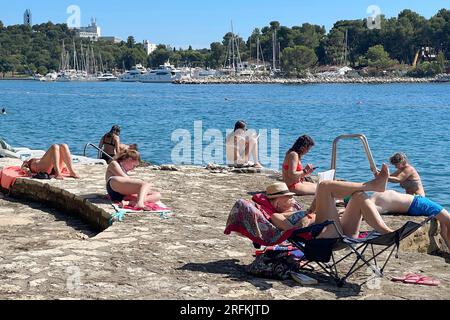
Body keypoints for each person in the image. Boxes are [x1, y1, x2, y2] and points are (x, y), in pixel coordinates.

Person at [262, 164, 393, 240]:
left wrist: (312, 209)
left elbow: (314, 215)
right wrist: (308, 216)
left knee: (358, 195)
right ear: (277, 201)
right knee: (324, 186)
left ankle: (386, 232)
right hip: (323, 236)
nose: (292, 198)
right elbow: (293, 230)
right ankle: (373, 185)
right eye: (288, 197)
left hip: (339, 230)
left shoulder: (296, 210)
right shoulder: (276, 216)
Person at [370, 190, 450, 251]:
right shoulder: (377, 195)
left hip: (415, 202)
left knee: (446, 223)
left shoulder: (377, 202)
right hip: (415, 202)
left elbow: (443, 234)